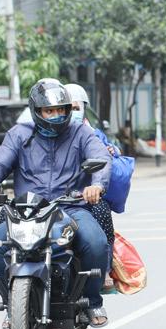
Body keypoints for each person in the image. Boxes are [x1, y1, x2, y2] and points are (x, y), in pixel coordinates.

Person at [0, 79, 112, 328]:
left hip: (70, 207)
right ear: (37, 111)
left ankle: (92, 302)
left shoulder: (81, 132)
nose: (57, 116)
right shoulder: (18, 135)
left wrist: (96, 185)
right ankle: (11, 303)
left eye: (61, 110)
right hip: (26, 211)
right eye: (50, 111)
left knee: (95, 242)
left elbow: (100, 157)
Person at [65, 83, 120, 288]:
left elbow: (107, 156)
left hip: (86, 197)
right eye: (66, 107)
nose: (71, 113)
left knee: (102, 212)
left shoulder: (92, 134)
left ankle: (104, 269)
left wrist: (111, 150)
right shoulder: (41, 135)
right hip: (52, 199)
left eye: (76, 108)